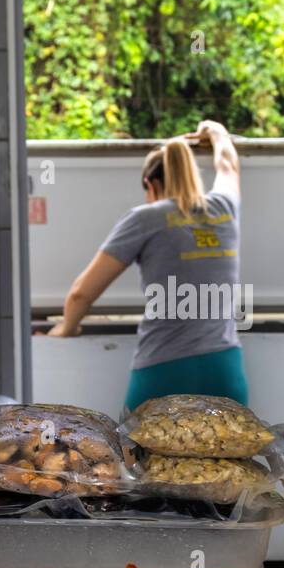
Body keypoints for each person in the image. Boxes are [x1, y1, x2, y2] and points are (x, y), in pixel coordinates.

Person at [45, 120, 249, 412]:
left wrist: (66, 327)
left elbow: (81, 294)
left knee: (133, 457)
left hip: (163, 374)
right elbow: (228, 163)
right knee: (225, 459)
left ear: (151, 185)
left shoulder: (144, 219)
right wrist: (214, 131)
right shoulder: (224, 208)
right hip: (225, 372)